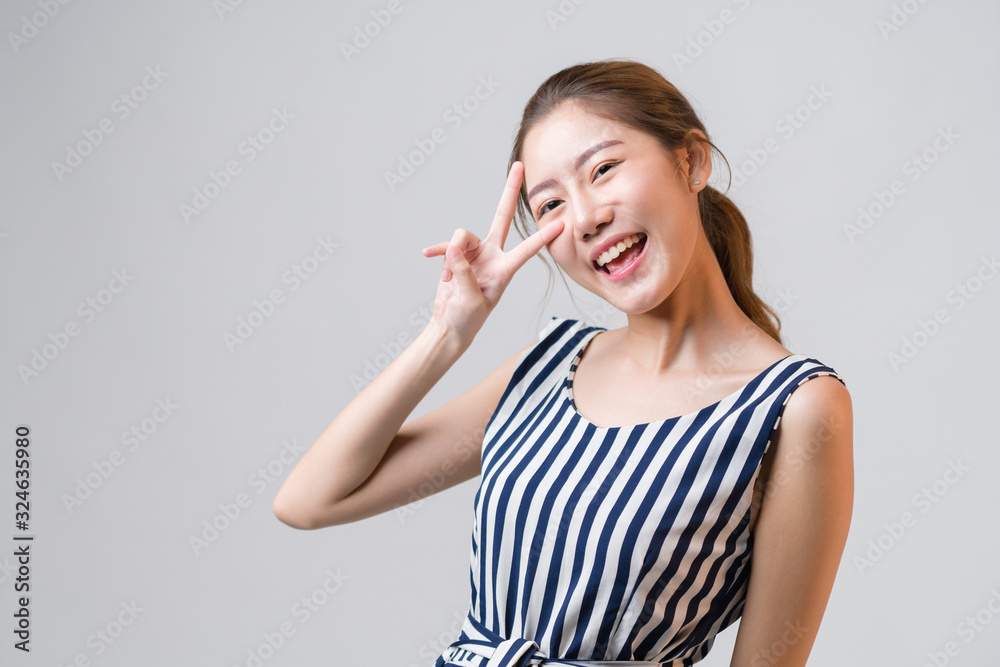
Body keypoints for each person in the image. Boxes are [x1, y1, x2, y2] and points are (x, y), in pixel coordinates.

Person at [272, 58, 854, 667]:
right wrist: (447, 335)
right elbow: (311, 500)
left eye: (603, 169)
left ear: (692, 161)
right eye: (550, 206)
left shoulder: (797, 407)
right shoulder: (549, 368)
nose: (584, 218)